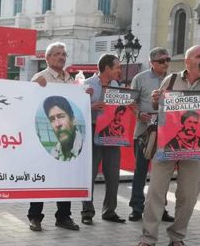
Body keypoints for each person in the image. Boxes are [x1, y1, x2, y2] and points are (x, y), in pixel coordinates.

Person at [131, 45, 200, 246]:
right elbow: (160, 109)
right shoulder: (171, 80)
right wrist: (156, 99)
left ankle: (177, 238)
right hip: (167, 145)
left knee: (188, 195)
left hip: (195, 149)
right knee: (156, 192)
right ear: (188, 60)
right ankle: (148, 240)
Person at [26, 42, 80, 231]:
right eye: (57, 54)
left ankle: (63, 217)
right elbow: (29, 102)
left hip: (66, 138)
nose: (61, 57)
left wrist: (84, 95)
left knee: (65, 176)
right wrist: (34, 87)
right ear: (47, 58)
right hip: (45, 137)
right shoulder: (40, 77)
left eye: (64, 54)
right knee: (41, 176)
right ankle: (35, 217)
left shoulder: (71, 80)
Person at [81, 53, 132, 225]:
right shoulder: (88, 84)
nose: (120, 70)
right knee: (90, 173)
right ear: (107, 68)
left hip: (112, 134)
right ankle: (87, 212)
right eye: (117, 67)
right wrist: (91, 106)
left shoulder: (116, 84)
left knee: (113, 174)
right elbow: (78, 111)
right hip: (94, 132)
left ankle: (109, 211)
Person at [129, 47, 175, 223]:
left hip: (166, 131)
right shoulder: (140, 78)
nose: (166, 64)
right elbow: (131, 102)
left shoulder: (174, 80)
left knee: (162, 172)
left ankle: (160, 208)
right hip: (144, 131)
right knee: (140, 170)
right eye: (161, 61)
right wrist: (140, 115)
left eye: (168, 60)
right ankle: (136, 208)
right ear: (152, 63)